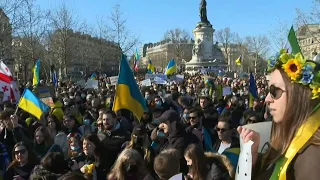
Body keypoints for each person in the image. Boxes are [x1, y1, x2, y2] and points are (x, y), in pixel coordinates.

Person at [238, 50, 320, 179]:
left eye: (274, 91)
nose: (267, 99)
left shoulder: (313, 155)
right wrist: (253, 161)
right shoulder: (284, 139)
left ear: (299, 95)